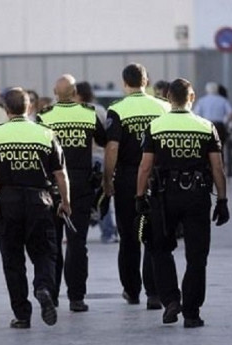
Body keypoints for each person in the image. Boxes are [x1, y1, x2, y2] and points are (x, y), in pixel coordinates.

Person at [136, 78, 229, 327]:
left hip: (163, 196)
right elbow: (217, 167)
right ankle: (192, 313)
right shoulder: (206, 126)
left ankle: (171, 300)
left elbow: (145, 167)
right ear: (192, 97)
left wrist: (139, 197)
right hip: (197, 196)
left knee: (159, 250)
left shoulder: (155, 126)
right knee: (197, 257)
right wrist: (222, 199)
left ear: (167, 98)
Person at [0, 87, 69, 329]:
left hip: (9, 203)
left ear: (5, 110)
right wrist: (66, 203)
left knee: (13, 260)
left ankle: (22, 315)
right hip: (41, 201)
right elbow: (60, 174)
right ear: (29, 108)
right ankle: (43, 287)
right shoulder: (46, 133)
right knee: (45, 252)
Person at [103, 63, 170, 309]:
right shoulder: (164, 106)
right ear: (146, 81)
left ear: (125, 83)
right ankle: (154, 292)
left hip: (128, 177)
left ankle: (132, 291)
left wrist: (107, 179)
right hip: (158, 178)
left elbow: (112, 147)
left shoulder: (117, 109)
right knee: (154, 235)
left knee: (129, 237)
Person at [38, 75, 106, 312]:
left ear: (55, 93)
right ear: (75, 91)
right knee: (77, 242)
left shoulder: (44, 117)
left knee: (52, 242)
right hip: (81, 186)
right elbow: (104, 141)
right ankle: (76, 298)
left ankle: (52, 295)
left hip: (52, 188)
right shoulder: (88, 114)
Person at [75, 80, 118, 243]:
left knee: (79, 197)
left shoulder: (76, 112)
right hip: (101, 158)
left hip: (82, 160)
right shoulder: (100, 110)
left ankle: (77, 231)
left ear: (78, 95)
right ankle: (108, 232)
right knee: (102, 196)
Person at [193, 81, 232, 149]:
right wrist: (225, 122)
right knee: (219, 147)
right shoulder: (223, 100)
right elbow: (231, 113)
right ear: (217, 90)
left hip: (206, 126)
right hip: (219, 126)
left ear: (206, 90)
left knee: (206, 147)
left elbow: (196, 114)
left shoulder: (201, 101)